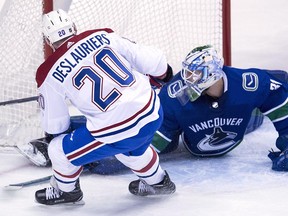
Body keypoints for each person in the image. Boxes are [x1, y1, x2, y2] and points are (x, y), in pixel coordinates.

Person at [34, 9, 175, 205]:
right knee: (133, 148)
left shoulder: (47, 72)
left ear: (48, 40)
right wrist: (163, 74)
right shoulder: (102, 34)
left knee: (58, 150)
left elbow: (55, 126)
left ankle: (67, 192)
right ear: (74, 28)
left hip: (119, 130)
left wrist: (69, 146)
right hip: (152, 111)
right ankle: (159, 182)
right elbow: (155, 63)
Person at [152, 45, 288, 172]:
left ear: (212, 73)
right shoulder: (174, 96)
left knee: (257, 108)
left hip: (241, 120)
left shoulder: (246, 84)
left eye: (195, 74)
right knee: (168, 145)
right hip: (188, 133)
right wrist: (134, 157)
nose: (188, 79)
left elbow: (277, 96)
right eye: (187, 73)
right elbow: (154, 138)